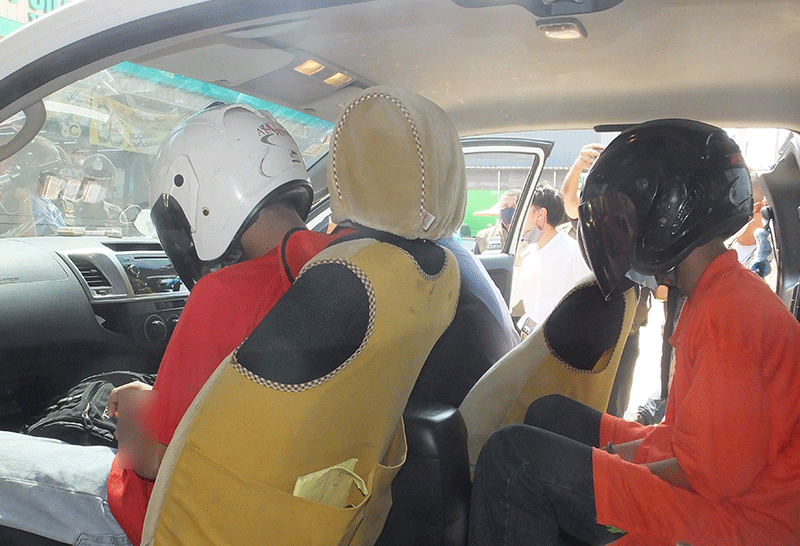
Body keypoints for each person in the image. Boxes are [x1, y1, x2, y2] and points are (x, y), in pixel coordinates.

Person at [0, 103, 346, 546]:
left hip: (160, 515)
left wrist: (133, 415)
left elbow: (154, 460)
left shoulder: (224, 294)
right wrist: (155, 403)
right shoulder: (343, 269)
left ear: (201, 197)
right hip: (280, 510)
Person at [468, 119, 800, 546]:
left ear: (666, 215)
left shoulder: (729, 318)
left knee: (513, 458)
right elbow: (689, 443)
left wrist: (605, 473)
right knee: (550, 413)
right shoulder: (717, 292)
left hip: (735, 524)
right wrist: (599, 464)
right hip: (712, 482)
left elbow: (710, 478)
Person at [510, 185, 590, 336]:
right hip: (530, 340)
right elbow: (511, 301)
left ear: (541, 214)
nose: (517, 217)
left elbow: (589, 306)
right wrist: (517, 264)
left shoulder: (575, 254)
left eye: (523, 210)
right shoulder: (525, 255)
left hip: (563, 342)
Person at [0, 135, 67, 236]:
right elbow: (25, 240)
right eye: (54, 163)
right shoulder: (16, 201)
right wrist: (23, 200)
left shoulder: (47, 202)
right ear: (34, 164)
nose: (59, 171)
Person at [73, 153, 124, 231]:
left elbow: (124, 237)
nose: (97, 187)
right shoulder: (72, 209)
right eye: (92, 182)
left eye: (102, 183)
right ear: (84, 183)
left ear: (108, 186)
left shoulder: (116, 214)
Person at [473, 188, 520, 254]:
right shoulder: (483, 237)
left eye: (514, 206)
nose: (509, 209)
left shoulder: (530, 237)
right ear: (500, 207)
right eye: (505, 206)